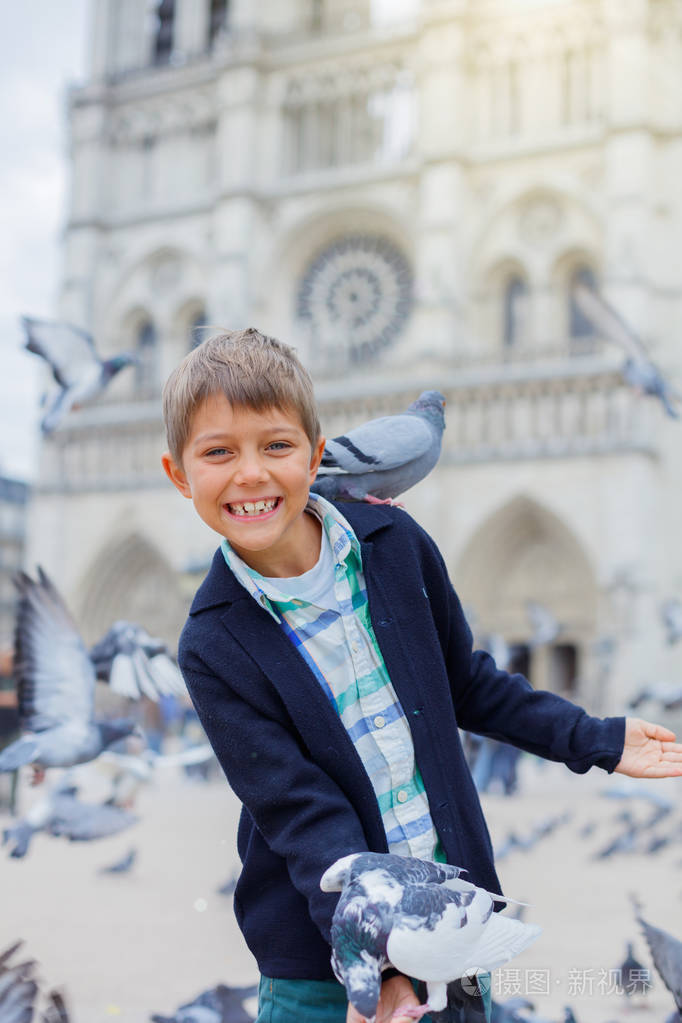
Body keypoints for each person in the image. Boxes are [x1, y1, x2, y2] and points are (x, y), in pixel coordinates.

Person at [161, 328, 682, 1023]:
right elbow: (301, 814)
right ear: (179, 473)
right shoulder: (213, 640)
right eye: (219, 452)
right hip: (328, 967)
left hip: (454, 929)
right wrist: (378, 963)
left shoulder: (394, 545)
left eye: (276, 445)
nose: (251, 473)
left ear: (317, 455)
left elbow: (466, 683)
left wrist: (598, 739)